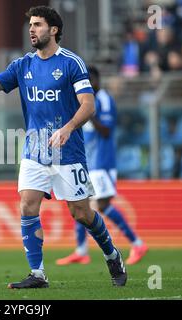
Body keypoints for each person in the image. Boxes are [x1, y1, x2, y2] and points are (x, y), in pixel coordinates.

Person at [0, 6, 127, 289]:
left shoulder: (71, 63)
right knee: (27, 204)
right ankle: (38, 274)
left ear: (53, 30)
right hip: (35, 150)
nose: (32, 29)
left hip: (69, 151)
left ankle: (112, 254)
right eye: (30, 24)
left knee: (81, 213)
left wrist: (67, 128)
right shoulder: (22, 65)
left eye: (38, 24)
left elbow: (88, 106)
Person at [56, 66, 148, 267]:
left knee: (100, 205)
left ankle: (137, 243)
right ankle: (81, 250)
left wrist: (89, 113)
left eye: (89, 80)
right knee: (82, 203)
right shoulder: (83, 100)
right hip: (88, 160)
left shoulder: (103, 99)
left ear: (97, 80)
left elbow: (106, 131)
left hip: (102, 161)